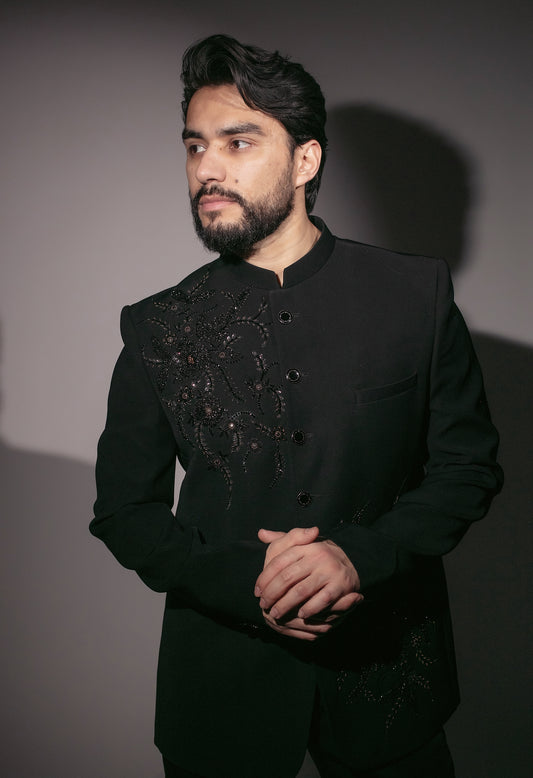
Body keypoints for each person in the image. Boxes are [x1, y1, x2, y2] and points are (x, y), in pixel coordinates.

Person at [90, 34, 503, 778]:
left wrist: (358, 557)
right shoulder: (156, 327)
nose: (206, 168)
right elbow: (125, 513)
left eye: (237, 142)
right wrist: (251, 583)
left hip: (389, 686)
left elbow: (467, 469)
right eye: (194, 146)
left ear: (304, 160)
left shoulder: (414, 296)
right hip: (221, 693)